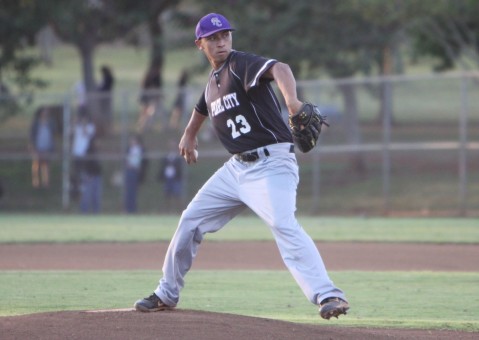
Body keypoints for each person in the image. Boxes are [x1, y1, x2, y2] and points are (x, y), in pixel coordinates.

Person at [134, 13, 349, 320]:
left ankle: (328, 294)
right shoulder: (213, 82)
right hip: (236, 170)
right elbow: (202, 107)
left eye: (225, 36)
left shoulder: (239, 64)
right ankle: (166, 294)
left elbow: (280, 68)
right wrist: (189, 133)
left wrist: (292, 103)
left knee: (282, 223)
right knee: (189, 221)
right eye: (213, 38)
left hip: (271, 163)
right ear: (200, 45)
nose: (221, 42)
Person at [29, 107, 57, 188]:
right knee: (36, 164)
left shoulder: (51, 122)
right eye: (44, 111)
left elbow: (54, 132)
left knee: (46, 165)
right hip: (37, 146)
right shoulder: (36, 123)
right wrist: (32, 146)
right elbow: (32, 135)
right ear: (40, 113)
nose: (46, 113)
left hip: (47, 146)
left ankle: (46, 182)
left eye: (47, 112)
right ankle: (36, 182)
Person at [71, 111, 96, 200]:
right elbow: (70, 131)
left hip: (85, 153)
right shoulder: (78, 126)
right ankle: (75, 191)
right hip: (76, 153)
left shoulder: (90, 127)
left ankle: (84, 191)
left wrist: (84, 125)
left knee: (84, 172)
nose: (83, 120)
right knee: (76, 172)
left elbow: (87, 134)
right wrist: (75, 122)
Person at [158, 139, 184, 213]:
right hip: (168, 179)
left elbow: (180, 167)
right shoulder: (166, 156)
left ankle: (179, 211)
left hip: (176, 178)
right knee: (167, 195)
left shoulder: (179, 155)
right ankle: (167, 211)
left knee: (177, 195)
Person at [79, 137, 102, 213]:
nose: (98, 143)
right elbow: (86, 165)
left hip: (96, 176)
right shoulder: (88, 151)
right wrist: (89, 175)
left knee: (96, 197)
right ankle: (84, 212)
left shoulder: (96, 151)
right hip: (89, 176)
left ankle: (96, 213)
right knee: (87, 196)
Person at [124, 134, 145, 213]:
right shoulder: (129, 149)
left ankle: (133, 209)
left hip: (135, 171)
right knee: (128, 191)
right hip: (129, 171)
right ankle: (127, 209)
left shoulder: (140, 149)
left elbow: (140, 161)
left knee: (133, 191)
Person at [137, 64, 162, 133]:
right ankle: (142, 126)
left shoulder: (151, 77)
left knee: (146, 113)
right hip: (146, 97)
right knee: (145, 113)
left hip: (148, 97)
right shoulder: (150, 78)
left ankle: (144, 126)